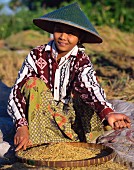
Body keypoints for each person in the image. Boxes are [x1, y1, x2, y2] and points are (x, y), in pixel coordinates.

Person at [7, 2, 131, 152]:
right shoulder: (37, 55)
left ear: (80, 37)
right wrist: (22, 126)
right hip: (43, 115)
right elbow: (16, 92)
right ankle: (44, 143)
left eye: (70, 33)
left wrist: (108, 113)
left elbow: (90, 86)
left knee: (86, 95)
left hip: (72, 116)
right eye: (59, 30)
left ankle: (74, 140)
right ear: (53, 30)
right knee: (32, 83)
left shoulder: (81, 60)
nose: (63, 37)